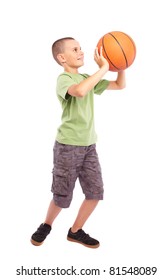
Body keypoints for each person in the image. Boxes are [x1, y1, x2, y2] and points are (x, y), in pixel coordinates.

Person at [30, 37, 126, 249]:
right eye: (75, 49)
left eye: (81, 48)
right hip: (67, 146)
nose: (81, 51)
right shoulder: (64, 79)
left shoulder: (86, 77)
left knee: (95, 193)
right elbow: (80, 91)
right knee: (62, 196)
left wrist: (121, 65)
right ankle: (46, 224)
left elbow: (120, 85)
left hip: (89, 146)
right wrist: (103, 68)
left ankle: (75, 231)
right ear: (62, 58)